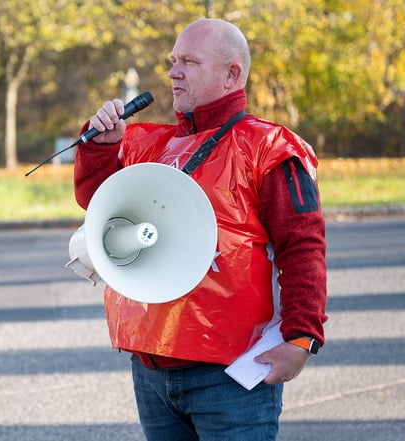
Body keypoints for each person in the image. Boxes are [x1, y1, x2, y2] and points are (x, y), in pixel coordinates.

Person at [73, 18, 327, 440]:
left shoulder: (269, 147)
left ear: (232, 74)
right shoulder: (145, 143)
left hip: (230, 375)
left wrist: (301, 338)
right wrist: (99, 144)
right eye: (173, 61)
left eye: (188, 61)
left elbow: (302, 246)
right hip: (151, 369)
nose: (173, 71)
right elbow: (96, 203)